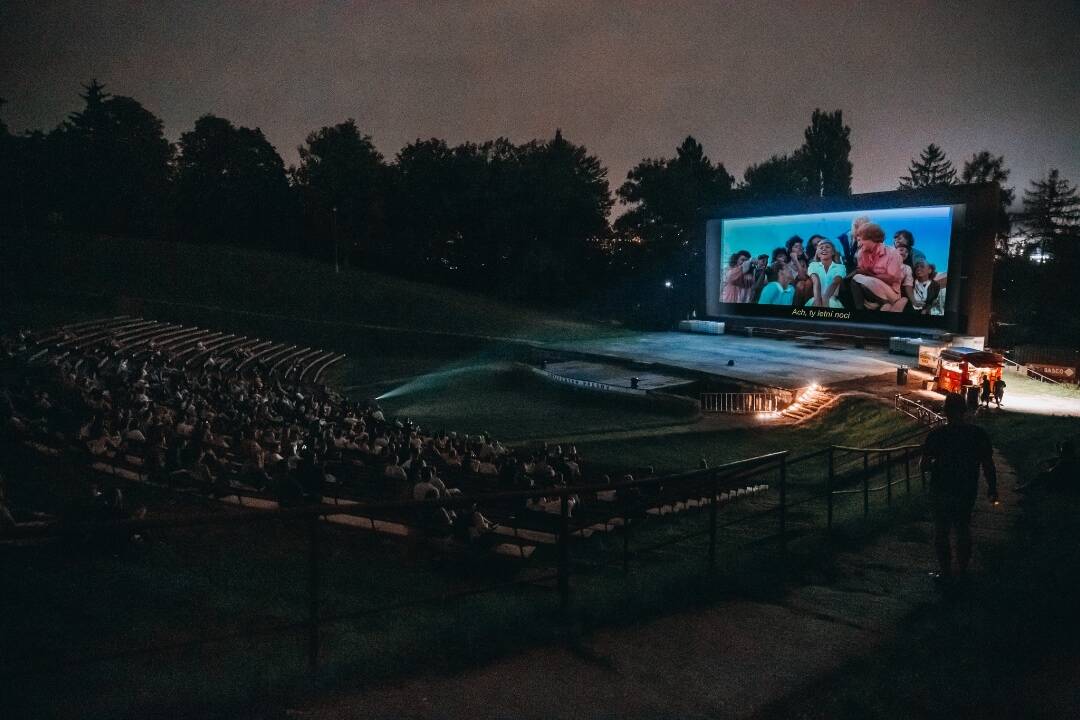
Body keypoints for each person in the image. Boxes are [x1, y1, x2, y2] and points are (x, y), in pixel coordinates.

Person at [921, 392, 998, 582]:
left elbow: (924, 465)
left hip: (941, 489)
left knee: (942, 531)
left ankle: (945, 572)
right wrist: (992, 488)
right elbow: (988, 463)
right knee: (963, 528)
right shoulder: (978, 434)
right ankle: (962, 571)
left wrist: (936, 465)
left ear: (946, 412)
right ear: (964, 411)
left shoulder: (937, 435)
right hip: (966, 489)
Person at [849, 222, 904, 311]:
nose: (858, 244)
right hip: (869, 291)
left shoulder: (892, 253)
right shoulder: (861, 254)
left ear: (871, 238)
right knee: (856, 280)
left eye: (859, 240)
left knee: (858, 278)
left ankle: (886, 304)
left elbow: (891, 278)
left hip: (891, 293)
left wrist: (869, 274)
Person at [807, 239, 846, 308]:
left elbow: (835, 282)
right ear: (818, 254)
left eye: (827, 247)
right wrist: (818, 303)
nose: (824, 249)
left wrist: (825, 300)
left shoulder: (840, 267)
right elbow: (816, 281)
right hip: (816, 298)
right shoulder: (813, 265)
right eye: (821, 248)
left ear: (833, 252)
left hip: (832, 300)